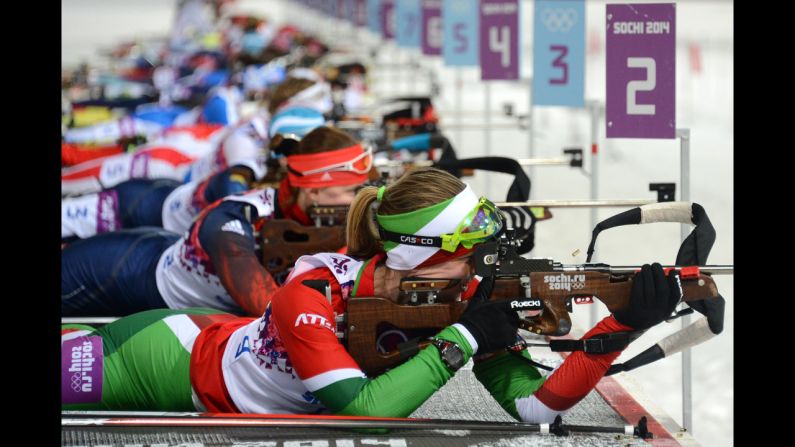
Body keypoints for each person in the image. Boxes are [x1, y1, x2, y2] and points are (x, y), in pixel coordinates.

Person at [61, 167, 681, 423]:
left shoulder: (452, 295)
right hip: (162, 363)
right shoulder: (309, 291)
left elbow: (534, 409)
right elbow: (365, 413)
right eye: (467, 256)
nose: (478, 273)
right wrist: (463, 340)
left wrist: (617, 332)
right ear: (420, 255)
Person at [62, 126, 371, 318]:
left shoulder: (307, 220)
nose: (357, 199)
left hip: (158, 247)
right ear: (315, 189)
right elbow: (269, 305)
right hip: (115, 271)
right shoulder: (236, 215)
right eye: (351, 190)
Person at [61, 107, 326, 241]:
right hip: (160, 173)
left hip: (169, 190)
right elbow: (233, 201)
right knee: (68, 181)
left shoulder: (262, 143)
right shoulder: (247, 153)